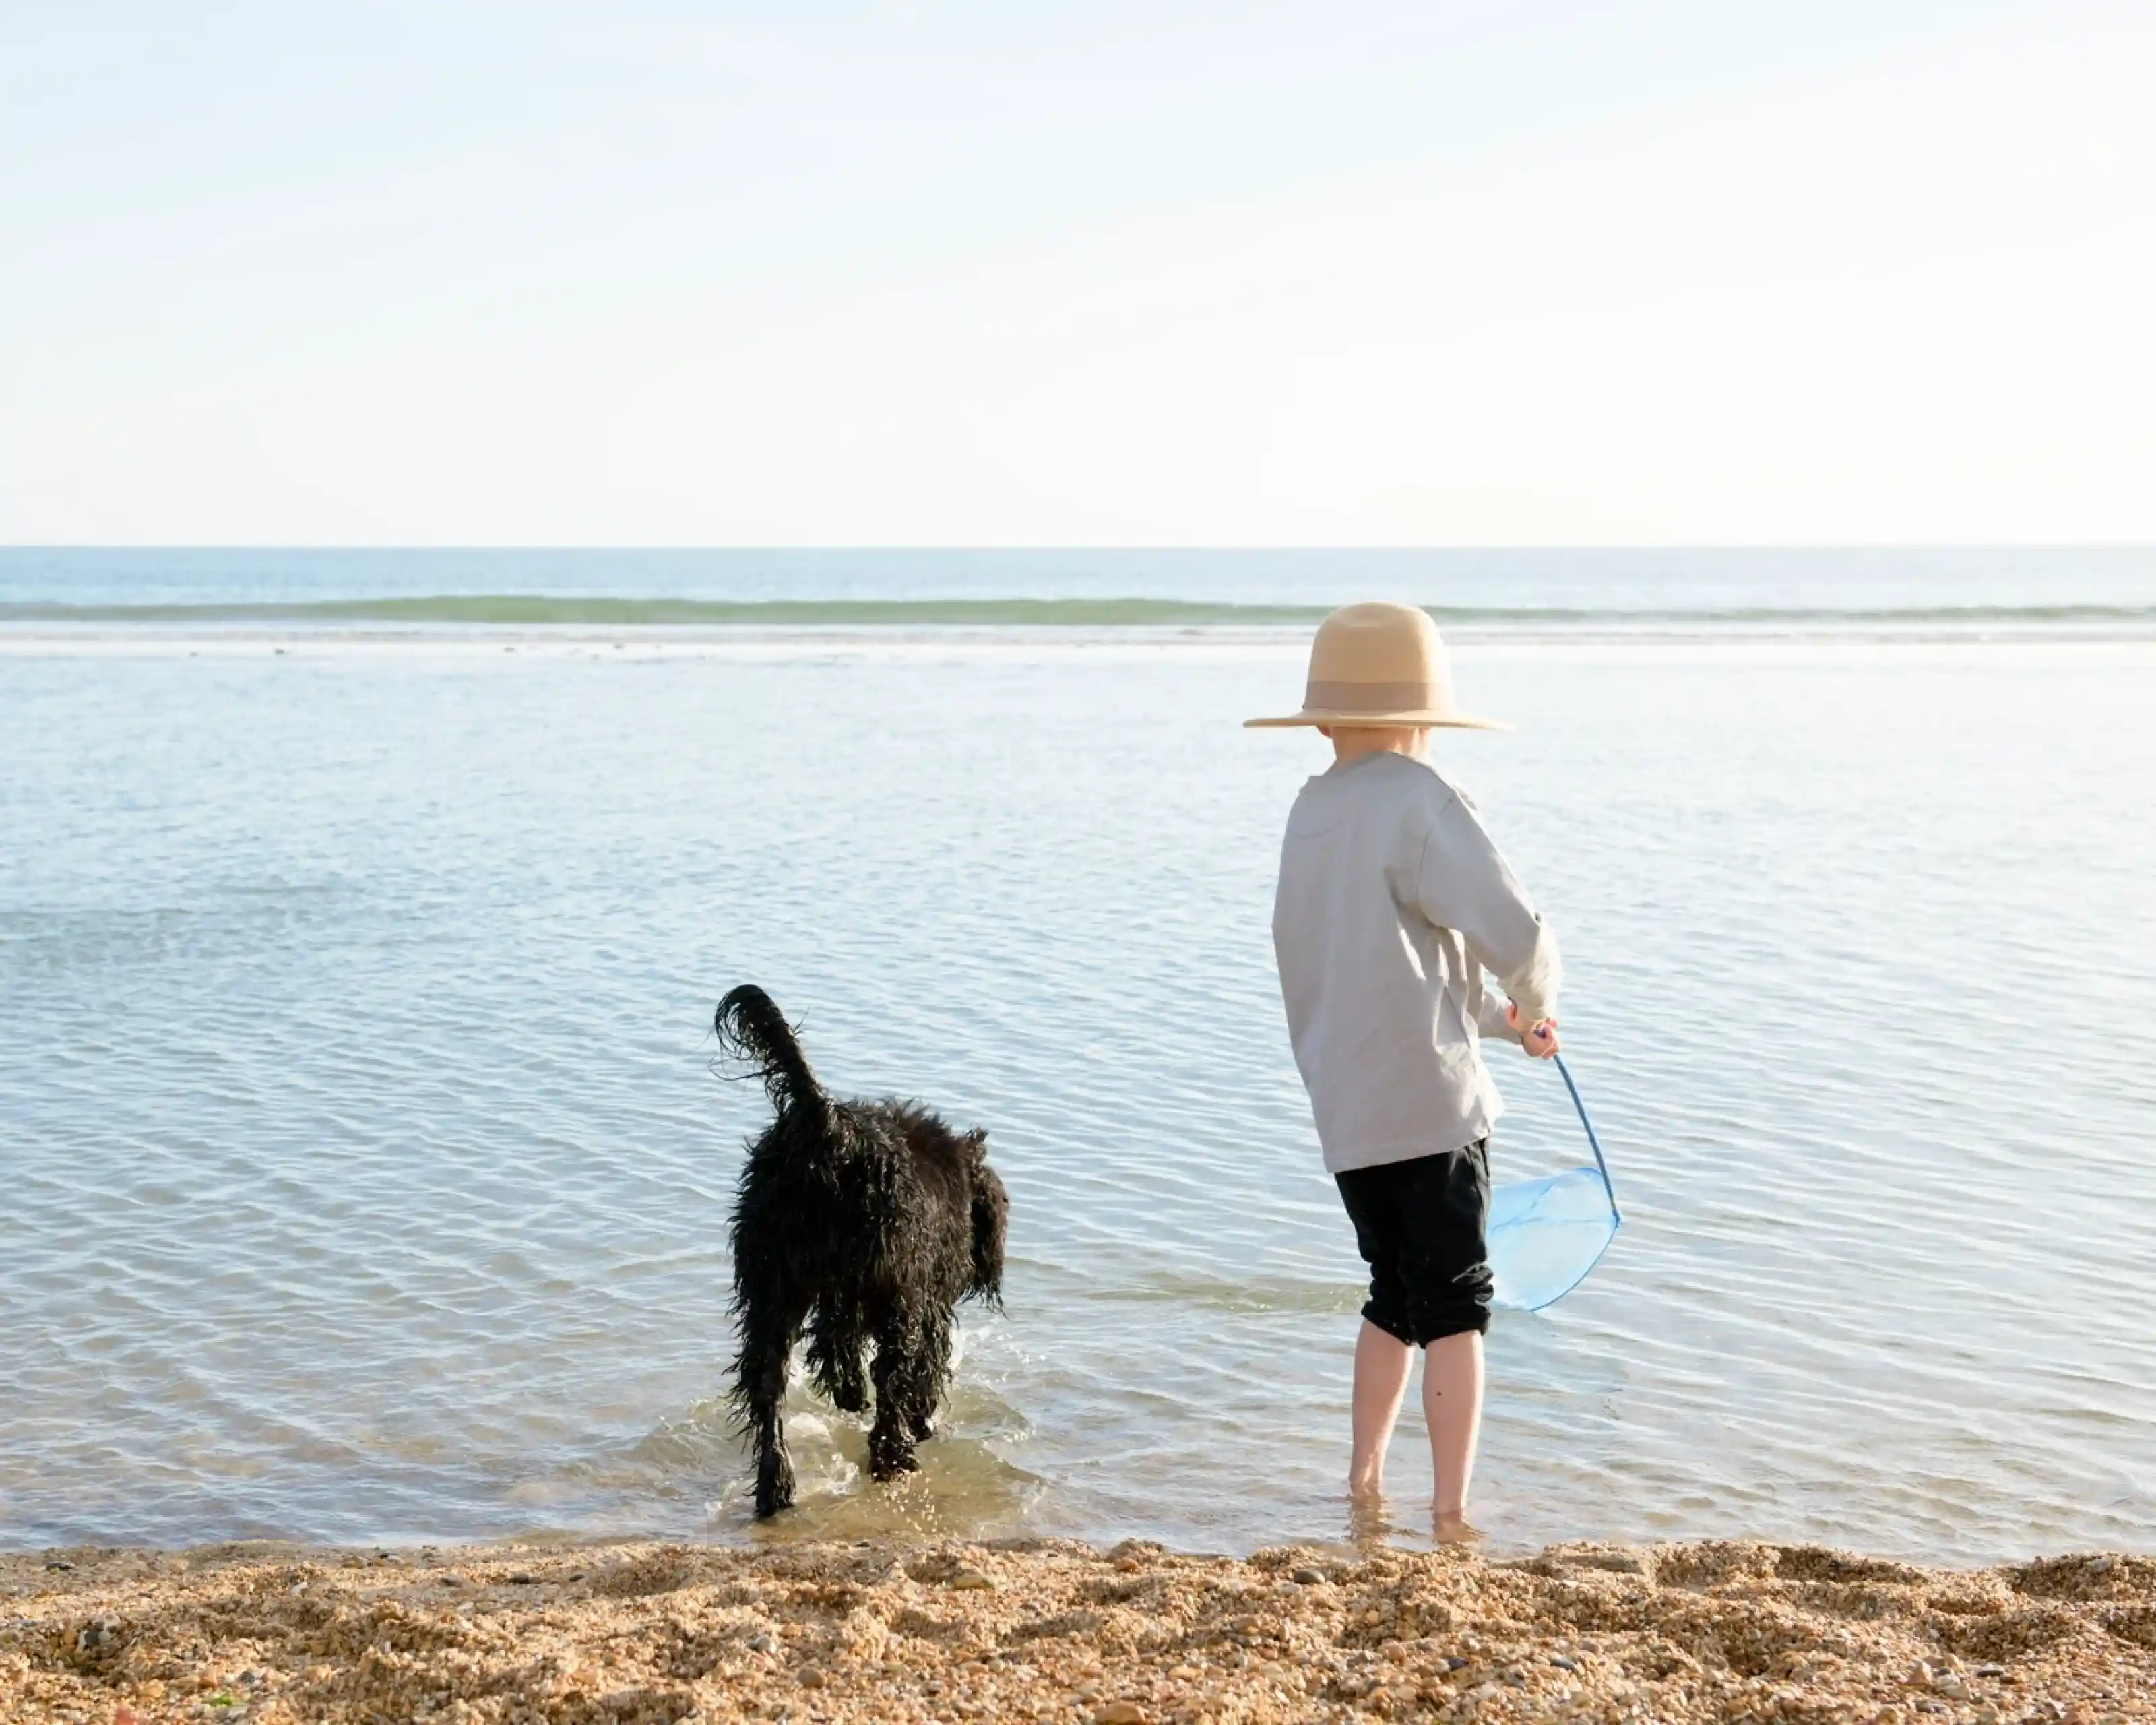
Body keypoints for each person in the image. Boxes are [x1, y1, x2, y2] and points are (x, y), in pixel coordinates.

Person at [1247, 601, 1560, 1538]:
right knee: (1457, 1302)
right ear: (1424, 720)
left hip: (1346, 1110)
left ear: (1328, 720)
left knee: (1392, 1293)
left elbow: (1395, 968)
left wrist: (1505, 1027)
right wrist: (1539, 1005)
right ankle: (1455, 1507)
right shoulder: (1424, 802)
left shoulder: (1311, 813)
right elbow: (1514, 930)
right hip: (1431, 1108)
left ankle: (1363, 1480)